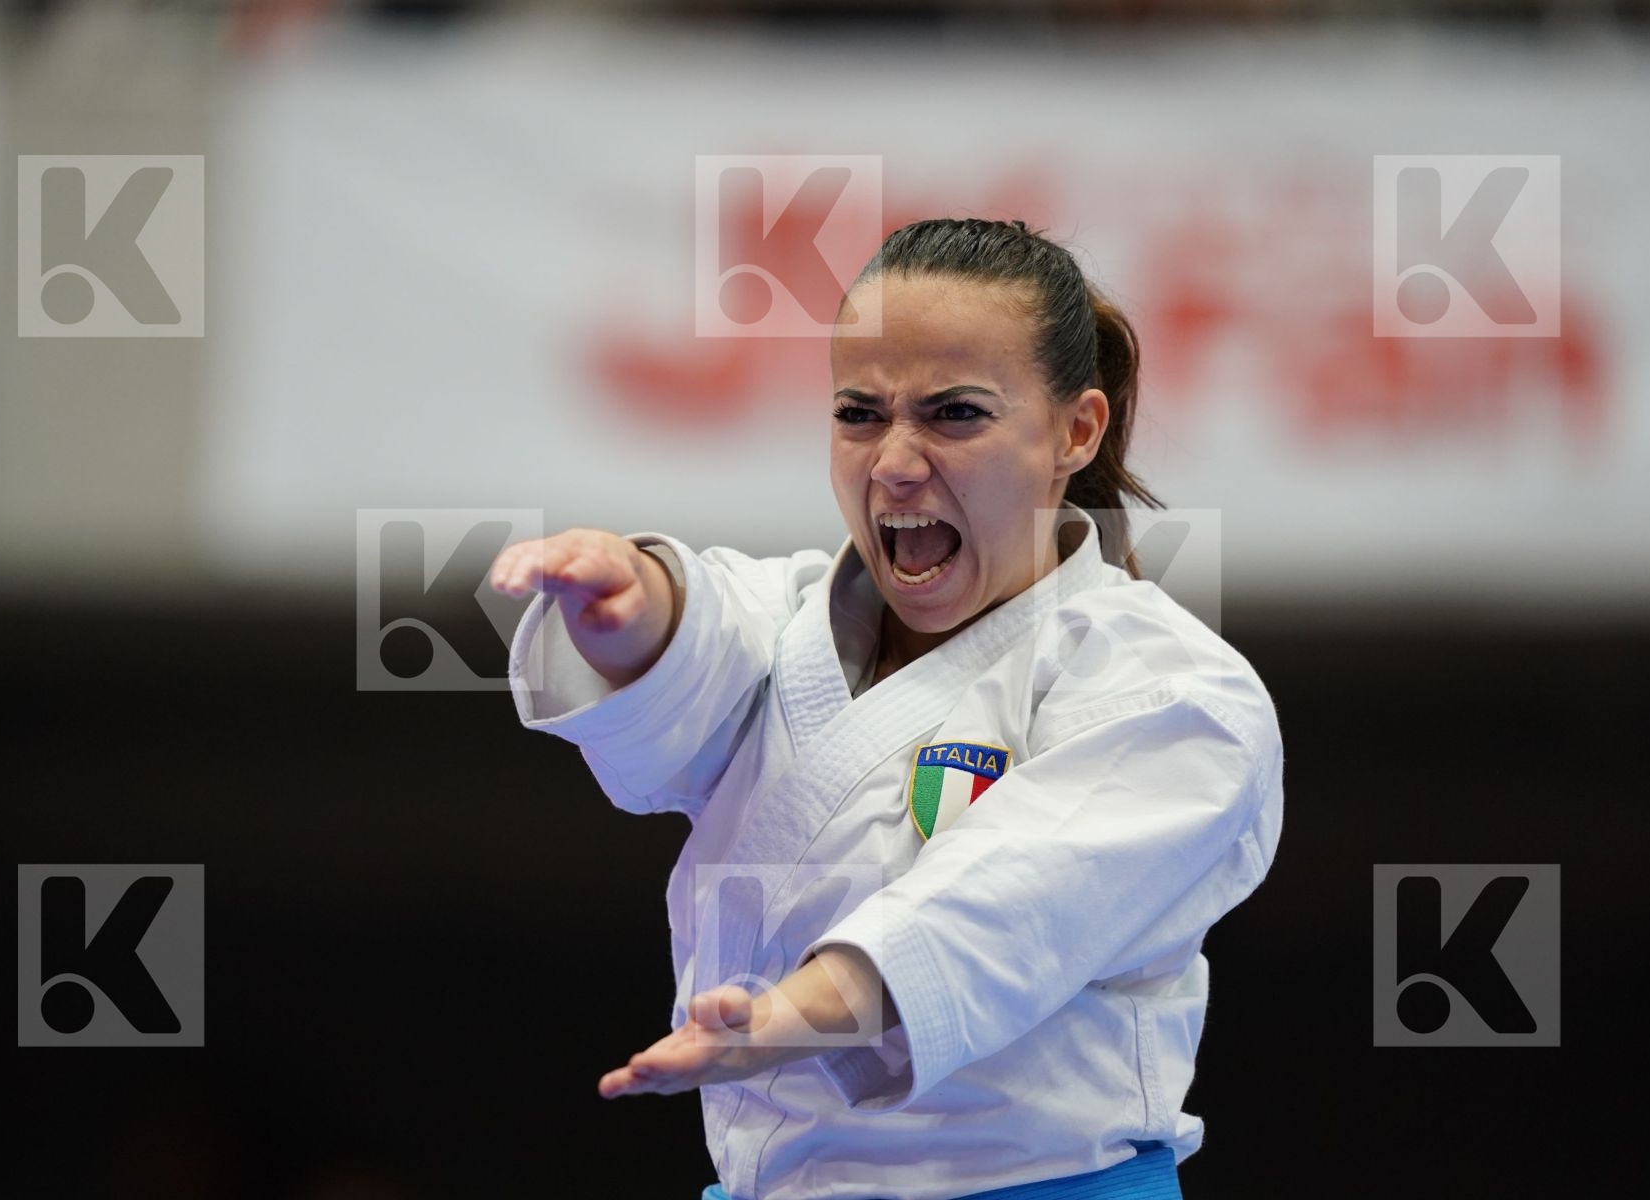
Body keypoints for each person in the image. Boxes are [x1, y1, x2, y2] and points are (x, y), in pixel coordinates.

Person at [490, 219, 1284, 1200]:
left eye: (954, 413)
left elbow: (1008, 904)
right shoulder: (783, 620)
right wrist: (629, 609)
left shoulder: (1171, 690)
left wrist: (798, 1016)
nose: (895, 462)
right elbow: (698, 650)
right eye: (860, 413)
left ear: (1076, 431)